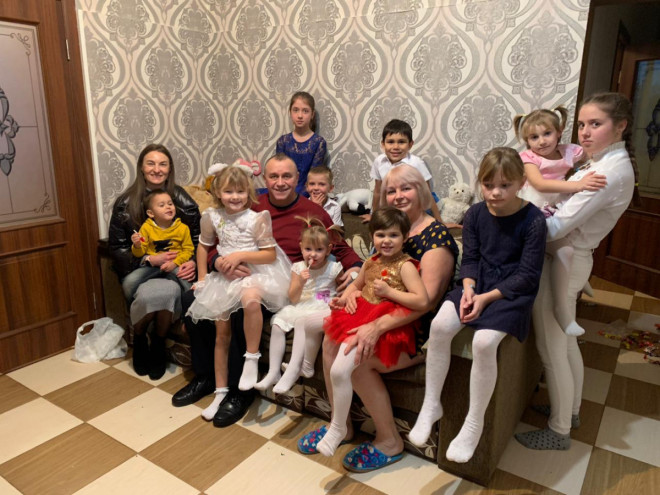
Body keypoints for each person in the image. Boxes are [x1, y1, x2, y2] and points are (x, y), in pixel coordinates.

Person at [171, 153, 361, 427]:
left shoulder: (312, 211)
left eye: (287, 176)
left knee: (240, 309)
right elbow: (214, 244)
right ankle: (206, 377)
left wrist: (355, 271)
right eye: (274, 176)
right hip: (235, 274)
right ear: (264, 179)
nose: (280, 182)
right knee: (192, 299)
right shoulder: (248, 204)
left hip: (280, 284)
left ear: (297, 179)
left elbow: (339, 246)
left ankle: (239, 392)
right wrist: (217, 263)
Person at [298, 164, 458, 472]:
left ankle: (389, 440)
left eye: (406, 188)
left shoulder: (435, 236)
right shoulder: (390, 229)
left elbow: (426, 303)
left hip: (416, 330)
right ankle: (341, 425)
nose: (398, 196)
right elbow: (371, 273)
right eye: (391, 191)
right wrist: (353, 292)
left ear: (421, 190)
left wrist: (375, 327)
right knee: (331, 338)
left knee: (358, 359)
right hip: (380, 313)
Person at [515, 92, 637, 451]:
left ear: (621, 126)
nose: (584, 132)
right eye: (582, 124)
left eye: (595, 124)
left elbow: (555, 228)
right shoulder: (601, 162)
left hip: (564, 260)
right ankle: (571, 411)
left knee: (552, 349)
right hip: (573, 258)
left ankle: (559, 431)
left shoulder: (607, 172)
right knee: (566, 345)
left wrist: (511, 225)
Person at [408, 147, 546, 463]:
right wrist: (469, 288)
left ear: (521, 183)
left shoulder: (534, 220)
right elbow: (469, 258)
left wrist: (485, 298)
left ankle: (474, 422)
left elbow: (527, 275)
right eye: (488, 185)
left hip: (510, 292)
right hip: (478, 283)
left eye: (505, 185)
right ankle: (431, 404)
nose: (495, 192)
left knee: (484, 342)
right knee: (440, 325)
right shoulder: (474, 214)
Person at [313, 207, 429, 458]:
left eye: (393, 235)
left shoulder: (406, 266)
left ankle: (338, 427)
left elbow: (422, 300)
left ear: (405, 238)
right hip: (360, 316)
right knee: (331, 347)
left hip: (387, 327)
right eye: (380, 235)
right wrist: (346, 297)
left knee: (341, 369)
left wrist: (390, 292)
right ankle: (339, 425)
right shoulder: (371, 261)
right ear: (371, 236)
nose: (386, 241)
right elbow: (356, 284)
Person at [186, 164, 291, 420]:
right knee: (221, 334)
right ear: (218, 193)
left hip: (255, 273)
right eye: (229, 191)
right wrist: (203, 277)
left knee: (251, 301)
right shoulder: (212, 216)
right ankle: (220, 392)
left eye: (240, 191)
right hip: (223, 279)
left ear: (249, 193)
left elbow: (269, 254)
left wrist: (240, 255)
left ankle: (252, 358)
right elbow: (203, 246)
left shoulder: (257, 218)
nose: (235, 197)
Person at [108, 144, 200, 380]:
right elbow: (117, 249)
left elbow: (198, 241)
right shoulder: (125, 203)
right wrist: (149, 258)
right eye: (151, 163)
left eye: (163, 164)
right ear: (141, 167)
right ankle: (140, 339)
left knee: (168, 291)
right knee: (149, 293)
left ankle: (158, 343)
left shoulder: (183, 200)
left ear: (170, 169)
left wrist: (192, 261)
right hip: (141, 270)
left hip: (175, 270)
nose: (157, 169)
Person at [514, 107, 607, 336]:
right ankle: (561, 309)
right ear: (527, 141)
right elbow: (540, 184)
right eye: (534, 137)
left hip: (557, 207)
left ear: (559, 132)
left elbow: (593, 158)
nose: (541, 141)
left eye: (547, 133)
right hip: (532, 210)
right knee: (564, 249)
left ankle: (578, 282)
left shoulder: (570, 151)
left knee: (574, 242)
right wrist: (577, 184)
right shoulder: (529, 158)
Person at [254, 216, 344, 393]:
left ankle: (294, 370)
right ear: (301, 247)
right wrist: (300, 282)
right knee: (278, 323)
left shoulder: (334, 268)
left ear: (328, 250)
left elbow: (343, 289)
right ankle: (273, 371)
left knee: (304, 323)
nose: (313, 254)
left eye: (319, 250)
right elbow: (293, 298)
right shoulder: (297, 268)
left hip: (323, 306)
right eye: (308, 249)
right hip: (301, 304)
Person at [361, 119, 444, 225]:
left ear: (410, 144)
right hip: (393, 207)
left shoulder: (416, 163)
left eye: (401, 142)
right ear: (383, 144)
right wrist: (374, 215)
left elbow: (427, 193)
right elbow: (378, 191)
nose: (395, 147)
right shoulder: (379, 161)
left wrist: (439, 221)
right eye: (390, 142)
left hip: (415, 207)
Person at [130, 189, 195, 294]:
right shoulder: (146, 228)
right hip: (152, 266)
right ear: (151, 213)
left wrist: (175, 263)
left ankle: (191, 302)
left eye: (170, 204)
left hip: (176, 264)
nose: (168, 207)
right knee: (130, 281)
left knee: (187, 283)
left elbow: (188, 250)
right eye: (162, 205)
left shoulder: (183, 228)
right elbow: (140, 253)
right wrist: (137, 245)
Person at [276, 91, 327, 194]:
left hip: (307, 191)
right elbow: (279, 172)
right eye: (296, 110)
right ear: (290, 112)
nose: (300, 115)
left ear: (312, 114)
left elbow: (314, 177)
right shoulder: (283, 141)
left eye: (305, 111)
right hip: (283, 189)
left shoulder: (318, 142)